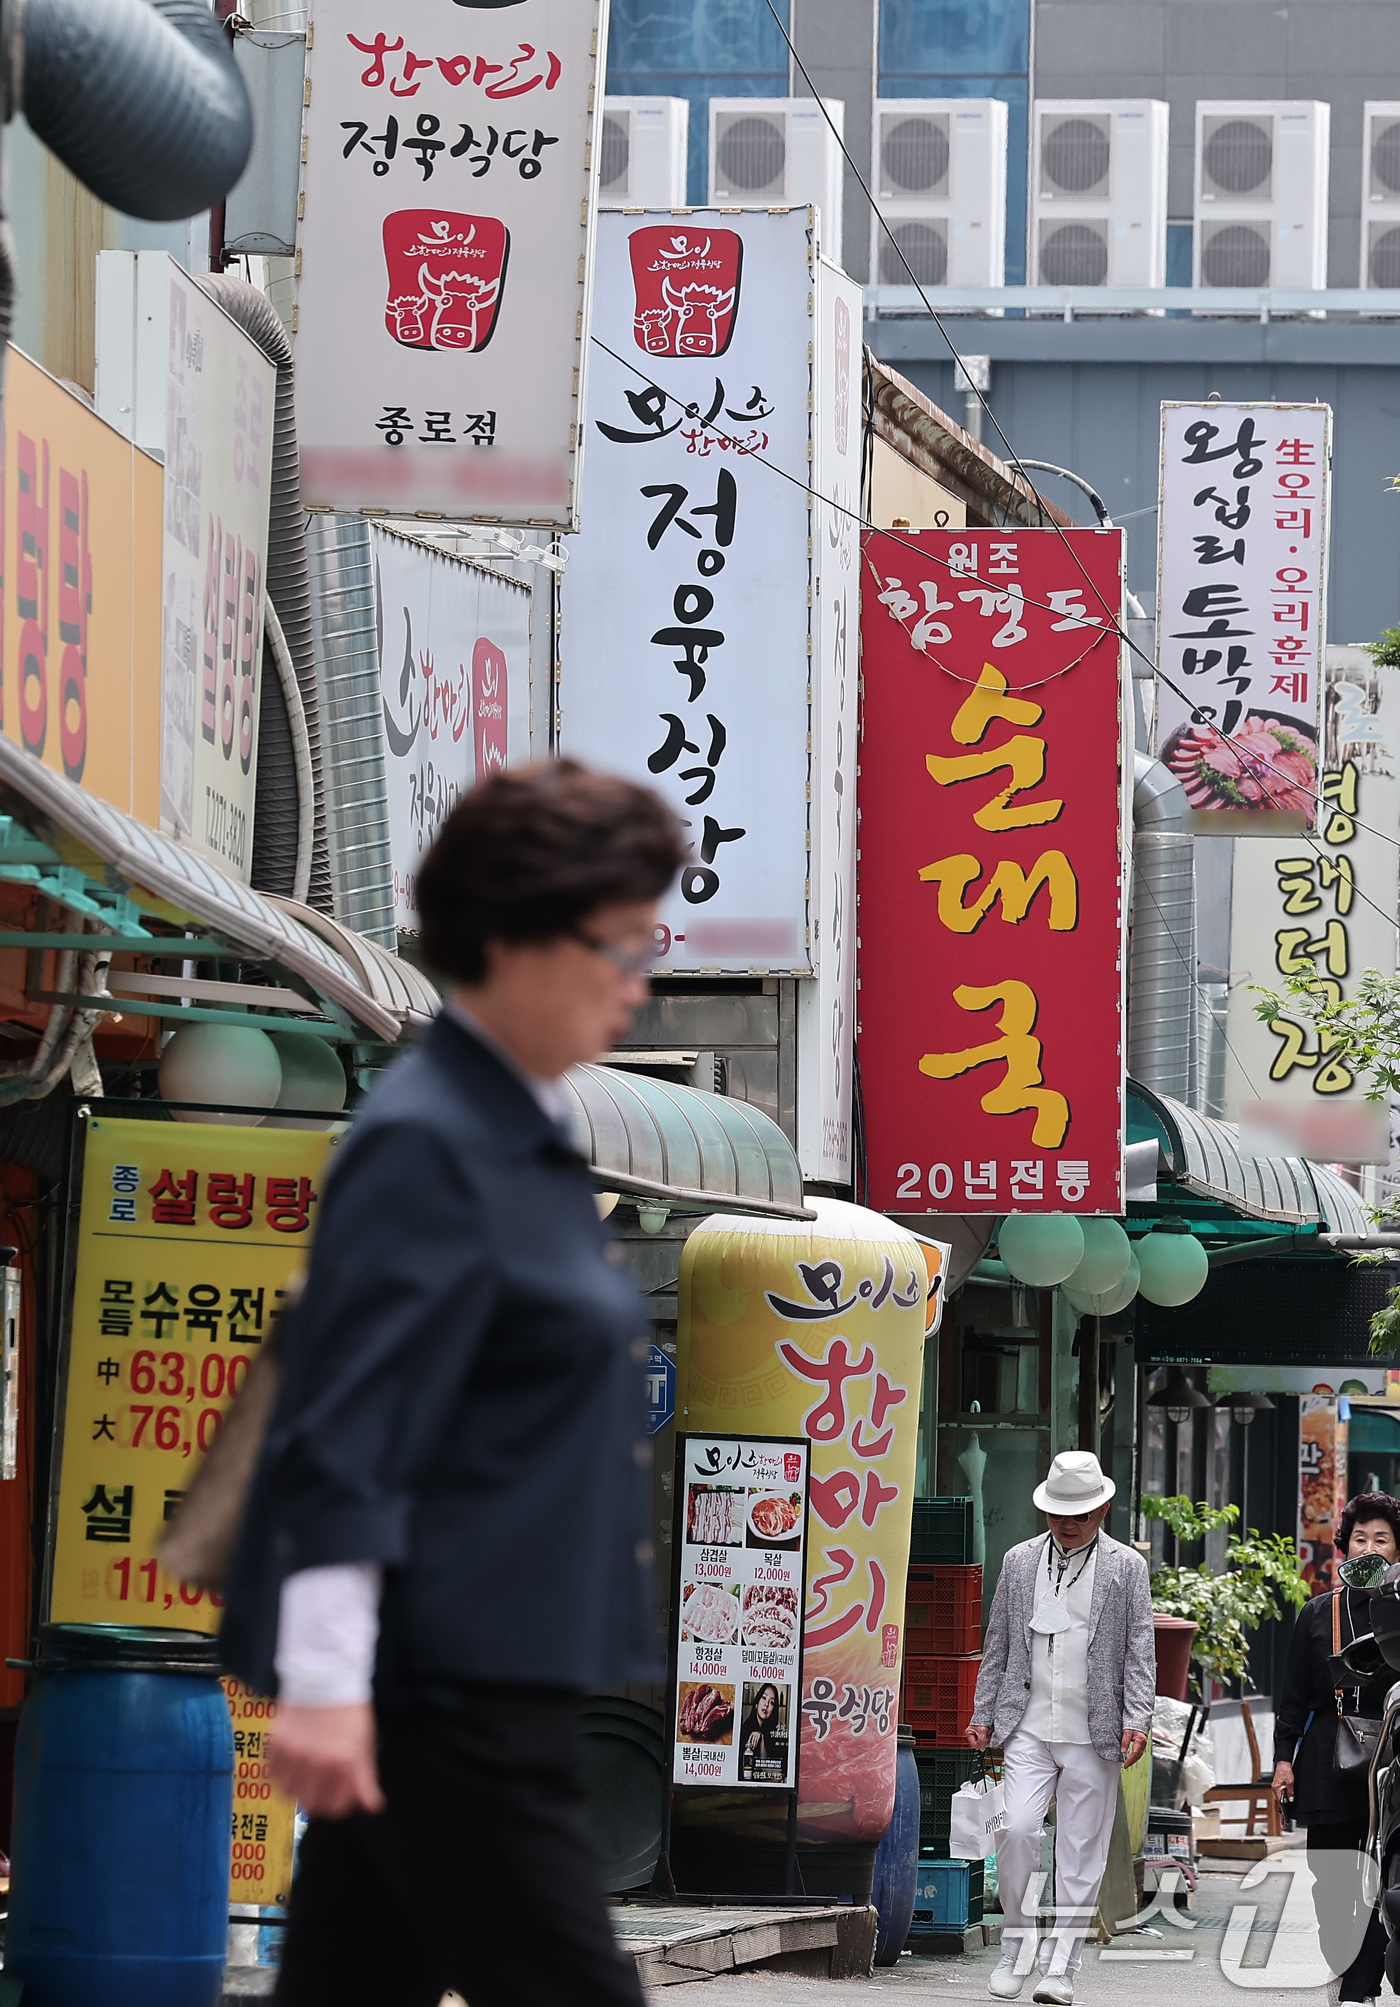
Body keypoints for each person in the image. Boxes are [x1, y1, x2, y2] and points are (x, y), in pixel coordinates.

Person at [219, 760, 687, 2007]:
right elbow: (351, 1413)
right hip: (446, 1682)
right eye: (619, 942)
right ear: (515, 940)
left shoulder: (514, 1135)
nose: (639, 979)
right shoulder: (431, 1139)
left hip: (483, 1665)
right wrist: (323, 1681)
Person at [965, 1450, 1155, 2007]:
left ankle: (1060, 1967)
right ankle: (1016, 1946)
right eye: (1058, 1512)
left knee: (1080, 1851)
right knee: (1016, 1829)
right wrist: (982, 1714)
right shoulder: (1020, 1560)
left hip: (1094, 1729)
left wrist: (1137, 1717)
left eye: (1079, 1512)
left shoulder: (1125, 1567)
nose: (1067, 1523)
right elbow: (997, 1640)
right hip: (1026, 1723)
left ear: (1102, 1509)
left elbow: (1140, 1648)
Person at [1273, 1490, 1400, 2005]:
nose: (1370, 1547)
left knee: (1383, 1876)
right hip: (1329, 1758)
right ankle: (1345, 1965)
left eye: (1383, 1539)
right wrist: (1284, 1760)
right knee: (1331, 1880)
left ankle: (1359, 1986)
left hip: (1393, 1760)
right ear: (1344, 1547)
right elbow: (1293, 1696)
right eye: (1361, 1538)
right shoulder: (1317, 1613)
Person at [740, 1684, 781, 1769]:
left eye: (772, 1702)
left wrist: (762, 1738)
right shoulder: (746, 1729)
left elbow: (767, 1769)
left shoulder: (768, 1731)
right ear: (756, 1703)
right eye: (764, 1698)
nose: (766, 1704)